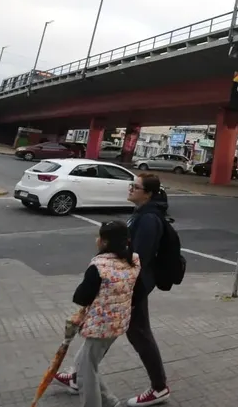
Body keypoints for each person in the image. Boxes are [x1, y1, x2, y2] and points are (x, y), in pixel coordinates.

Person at [56, 173, 171, 405]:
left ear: (147, 193)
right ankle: (80, 375)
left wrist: (116, 279)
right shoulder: (141, 213)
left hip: (132, 288)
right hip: (128, 287)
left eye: (135, 187)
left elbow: (139, 257)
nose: (130, 189)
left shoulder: (149, 219)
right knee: (115, 332)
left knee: (135, 334)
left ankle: (159, 387)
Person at [60, 220, 140, 407]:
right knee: (84, 363)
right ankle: (109, 401)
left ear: (104, 242)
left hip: (100, 326)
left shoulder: (99, 265)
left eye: (99, 237)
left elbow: (81, 297)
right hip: (120, 321)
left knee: (85, 371)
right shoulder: (133, 259)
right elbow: (138, 290)